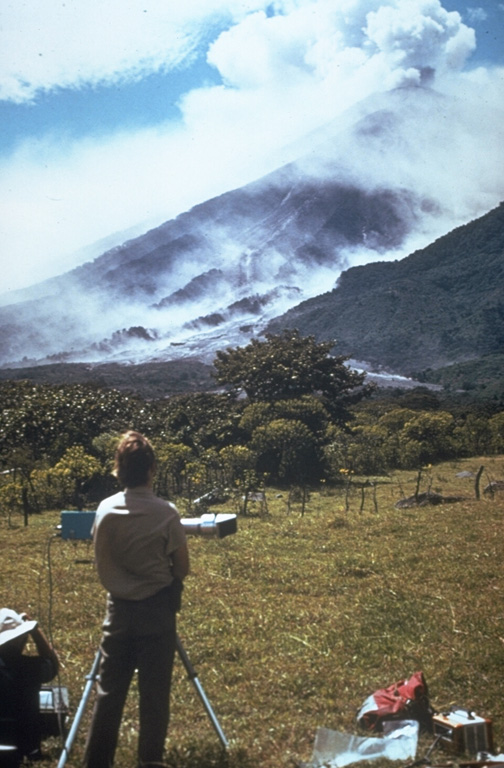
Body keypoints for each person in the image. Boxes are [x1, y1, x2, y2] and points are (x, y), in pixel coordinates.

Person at [83, 431, 190, 768]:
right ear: (151, 469)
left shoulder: (105, 509)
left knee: (109, 692)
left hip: (118, 611)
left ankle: (96, 761)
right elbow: (182, 567)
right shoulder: (166, 512)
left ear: (119, 470)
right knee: (154, 694)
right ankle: (150, 761)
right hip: (157, 610)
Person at [0, 608, 59, 763]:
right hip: (24, 747)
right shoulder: (31, 668)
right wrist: (36, 631)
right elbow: (52, 664)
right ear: (22, 639)